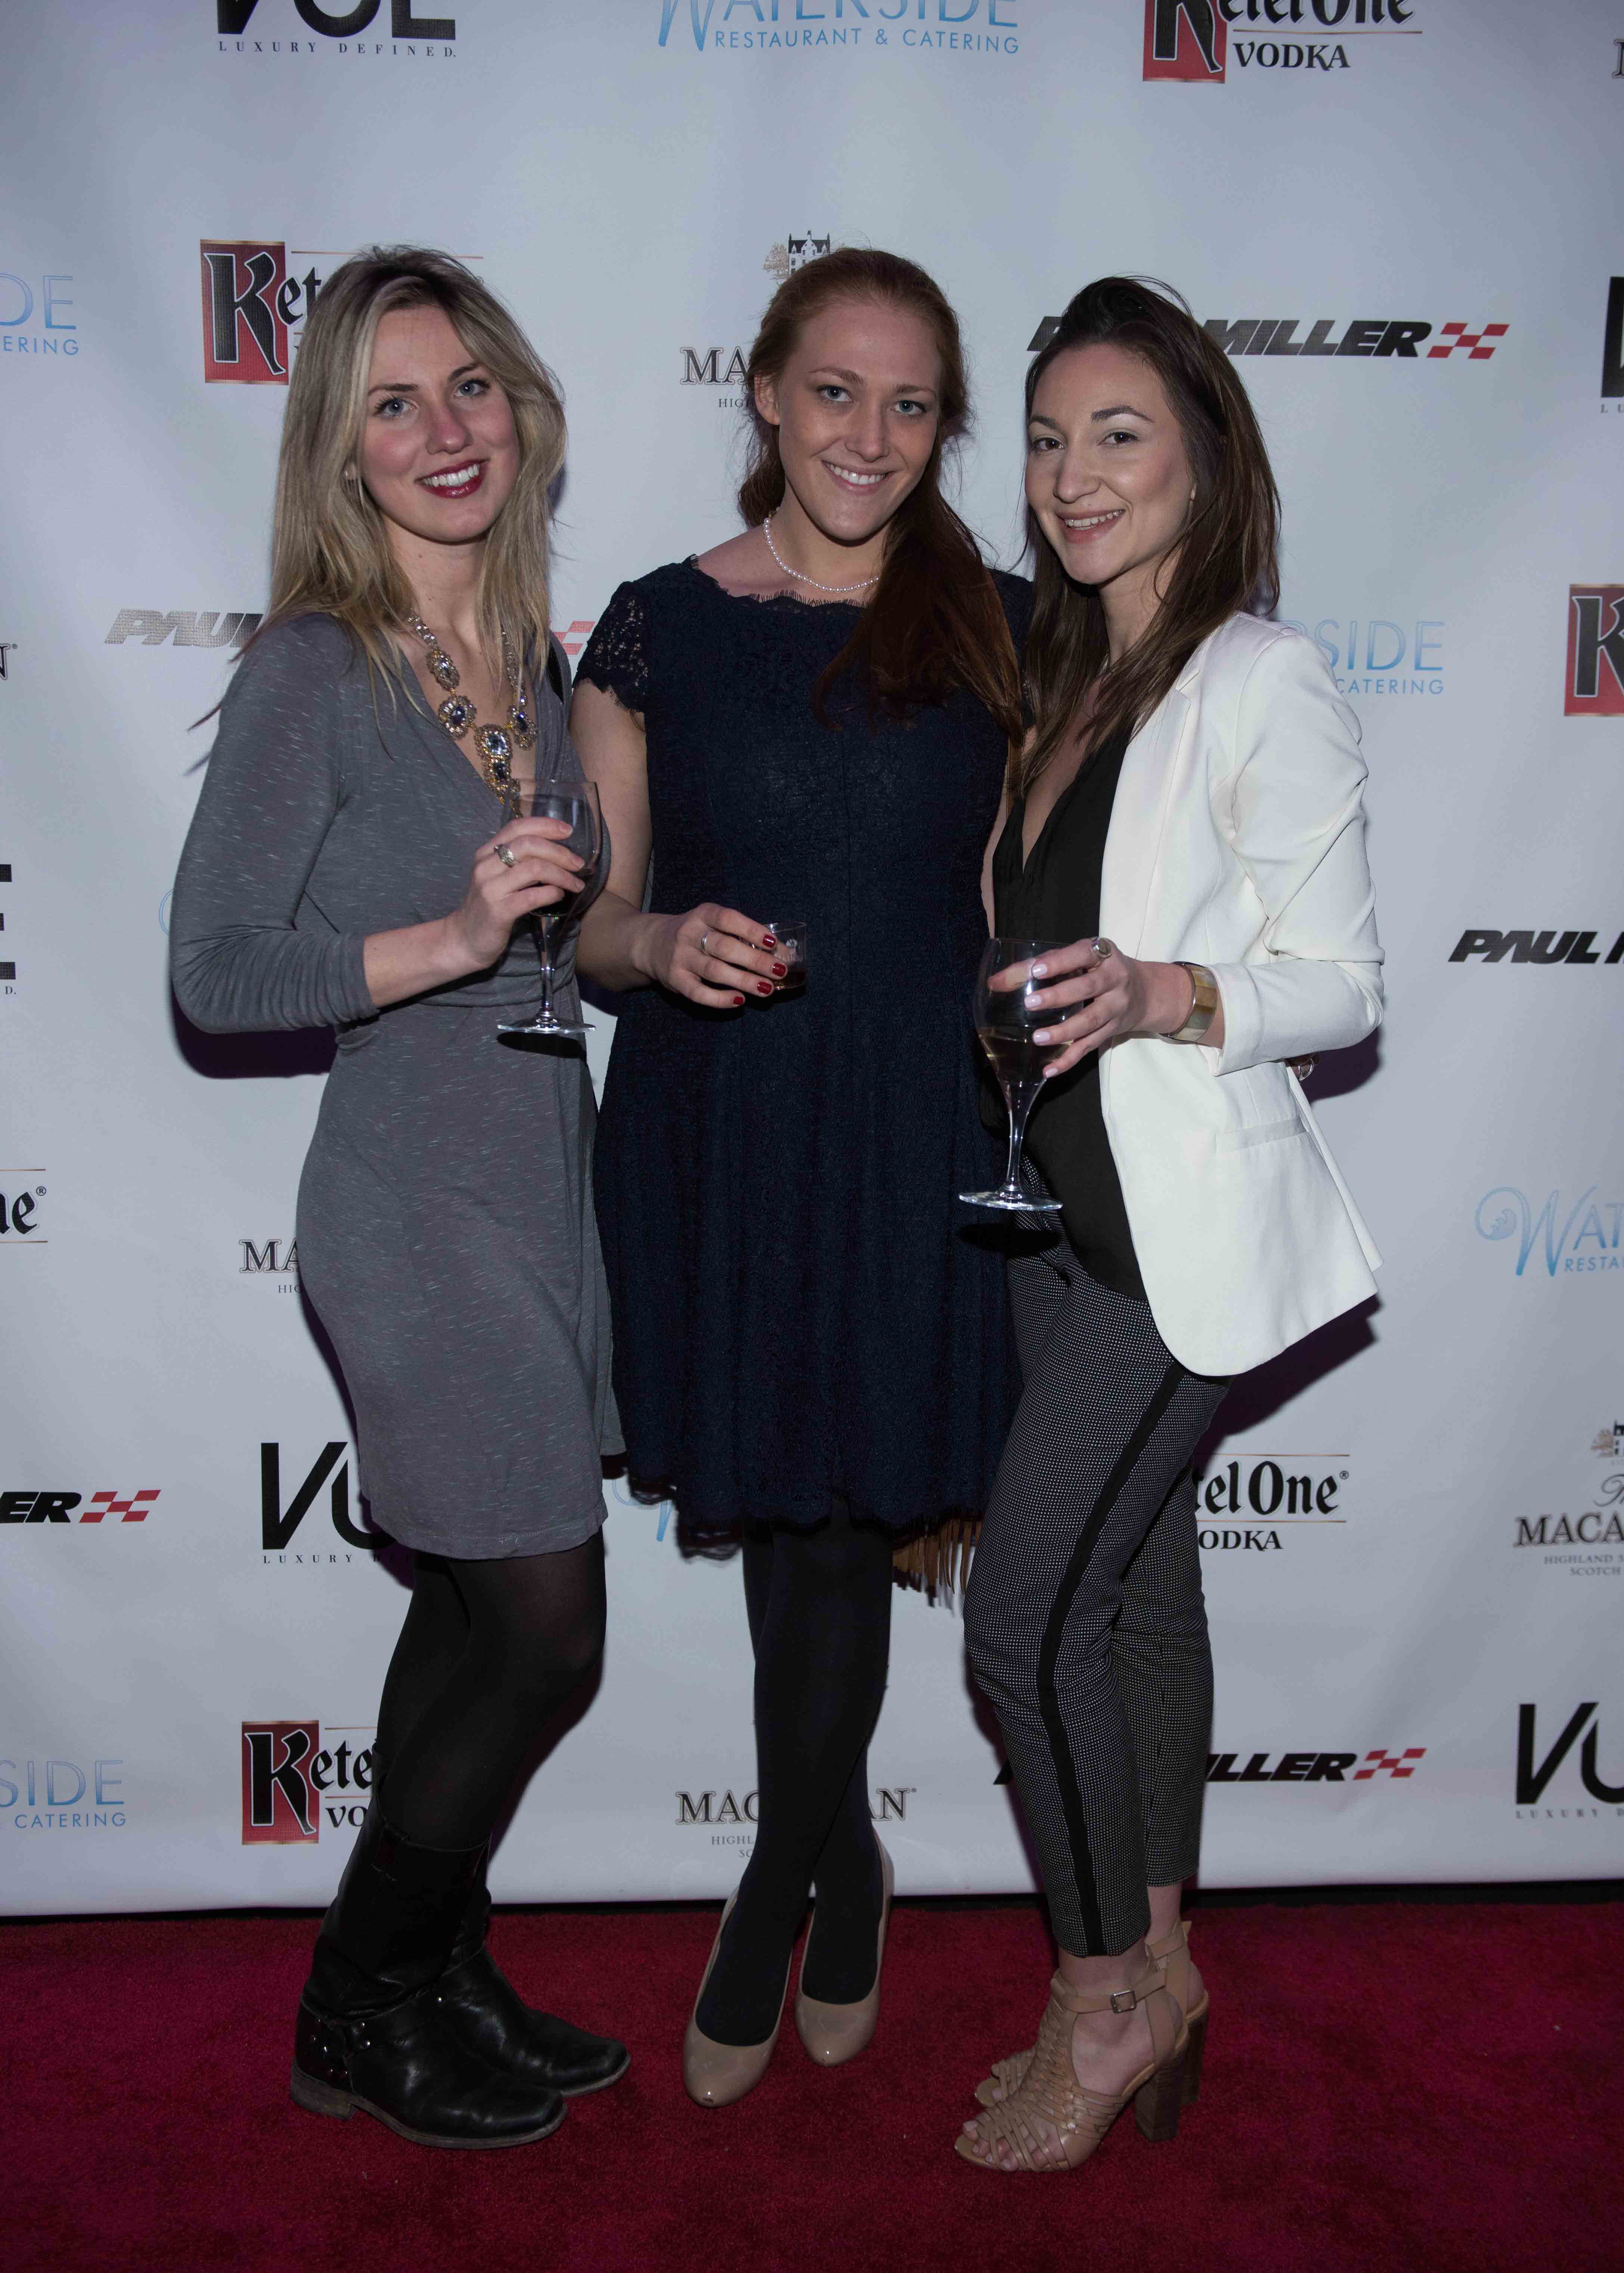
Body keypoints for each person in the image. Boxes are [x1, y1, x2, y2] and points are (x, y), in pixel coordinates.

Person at [169, 247, 628, 2150]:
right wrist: (448, 935)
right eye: (392, 402)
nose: (445, 431)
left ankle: (437, 1970)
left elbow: (582, 937)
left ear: (518, 407)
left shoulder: (532, 658)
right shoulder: (316, 668)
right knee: (546, 1625)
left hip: (537, 1186)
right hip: (411, 1198)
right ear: (340, 450)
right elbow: (215, 972)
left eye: (469, 388)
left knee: (469, 1615)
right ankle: (357, 2003)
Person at [571, 248, 1029, 2106]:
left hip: (916, 1129)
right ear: (764, 392)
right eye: (834, 391)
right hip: (726, 1124)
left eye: (910, 404)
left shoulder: (1005, 627)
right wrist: (656, 939)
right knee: (786, 1513)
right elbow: (594, 919)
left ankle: (779, 1885)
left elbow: (1019, 893)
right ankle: (844, 1865)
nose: (868, 434)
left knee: (841, 1524)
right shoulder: (653, 627)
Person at [956, 276, 1383, 2174]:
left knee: (1023, 1624)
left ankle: (1101, 1998)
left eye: (1117, 435)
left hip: (1170, 1234)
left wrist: (1167, 991)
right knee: (1134, 1599)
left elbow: (1344, 984)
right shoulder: (1059, 684)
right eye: (1049, 440)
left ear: (1205, 460)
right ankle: (1166, 1955)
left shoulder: (1256, 676)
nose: (1072, 474)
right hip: (1052, 1213)